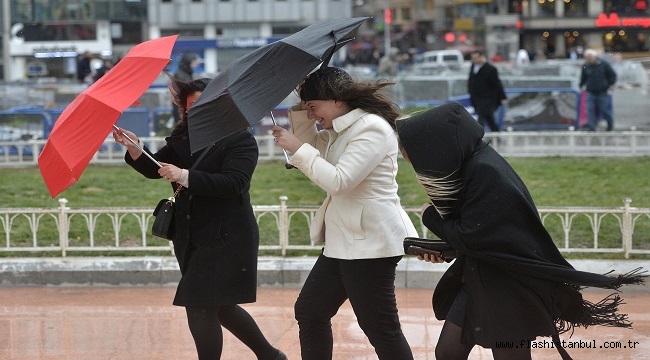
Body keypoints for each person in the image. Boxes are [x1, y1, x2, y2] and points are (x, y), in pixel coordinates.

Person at [396, 103, 646, 360]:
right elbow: (486, 236)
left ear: (438, 149)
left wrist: (430, 218)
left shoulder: (484, 171)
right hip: (481, 279)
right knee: (448, 352)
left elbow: (474, 235)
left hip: (509, 287)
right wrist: (445, 251)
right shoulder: (473, 164)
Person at [112, 78, 287, 360]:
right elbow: (154, 167)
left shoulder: (239, 138)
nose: (197, 110)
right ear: (184, 109)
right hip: (190, 234)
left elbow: (234, 183)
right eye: (192, 105)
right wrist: (135, 147)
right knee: (221, 306)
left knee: (200, 304)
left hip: (227, 236)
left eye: (205, 104)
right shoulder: (184, 137)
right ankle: (270, 356)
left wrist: (183, 175)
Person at [271, 66, 418, 360]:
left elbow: (339, 180)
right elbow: (315, 152)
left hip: (371, 243)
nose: (312, 115)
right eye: (308, 109)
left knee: (380, 329)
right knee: (310, 312)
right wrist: (301, 110)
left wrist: (298, 148)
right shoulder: (342, 127)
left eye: (314, 107)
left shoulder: (371, 128)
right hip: (345, 242)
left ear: (337, 100)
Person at [468, 50, 507, 132]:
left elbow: (497, 84)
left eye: (476, 57)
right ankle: (496, 135)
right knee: (489, 119)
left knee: (481, 119)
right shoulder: (473, 67)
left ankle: (477, 136)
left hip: (487, 98)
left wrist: (502, 97)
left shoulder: (490, 69)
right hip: (477, 98)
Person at [579, 49, 617, 131]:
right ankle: (592, 127)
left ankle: (610, 125)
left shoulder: (604, 64)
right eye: (588, 58)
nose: (589, 60)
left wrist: (611, 84)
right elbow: (583, 78)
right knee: (590, 110)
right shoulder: (586, 66)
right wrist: (581, 86)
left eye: (590, 58)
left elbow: (612, 74)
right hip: (591, 91)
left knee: (604, 110)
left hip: (602, 91)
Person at [171, 53, 199, 123]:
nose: (194, 64)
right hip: (181, 104)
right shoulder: (180, 74)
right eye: (193, 61)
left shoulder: (188, 72)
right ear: (188, 62)